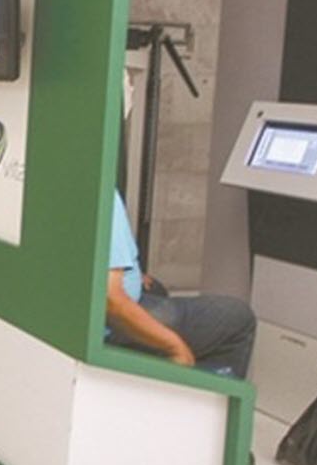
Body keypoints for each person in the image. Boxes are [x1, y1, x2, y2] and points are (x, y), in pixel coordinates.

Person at [103, 69, 256, 378]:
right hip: (106, 325)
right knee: (237, 318)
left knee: (157, 287)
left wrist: (129, 271)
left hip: (91, 310)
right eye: (127, 82)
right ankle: (202, 396)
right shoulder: (100, 190)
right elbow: (110, 300)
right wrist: (175, 347)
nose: (131, 88)